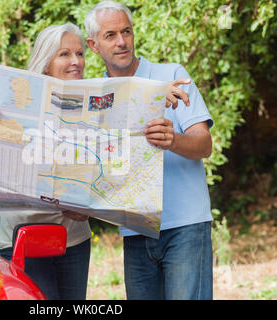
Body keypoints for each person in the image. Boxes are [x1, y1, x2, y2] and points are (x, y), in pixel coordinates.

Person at [84, 1, 214, 300]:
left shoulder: (172, 74)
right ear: (93, 44)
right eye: (110, 35)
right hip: (136, 231)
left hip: (186, 227)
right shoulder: (94, 97)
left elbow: (204, 144)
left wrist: (174, 141)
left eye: (126, 32)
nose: (121, 42)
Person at [0, 23, 92, 300]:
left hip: (73, 239)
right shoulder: (17, 100)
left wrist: (91, 207)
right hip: (21, 238)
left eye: (79, 53)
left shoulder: (93, 103)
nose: (76, 61)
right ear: (46, 63)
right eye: (64, 54)